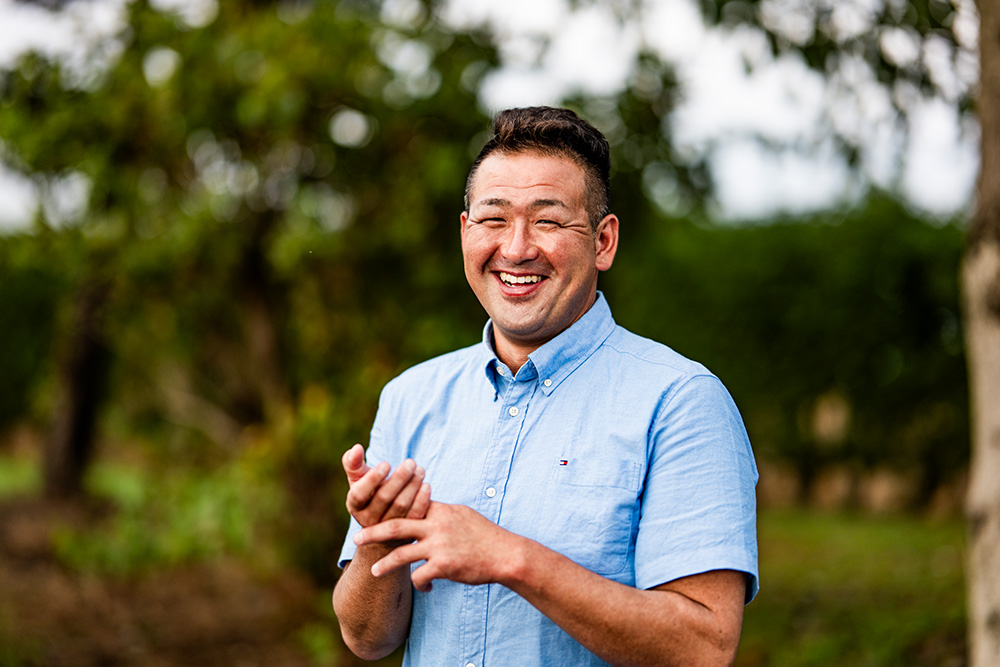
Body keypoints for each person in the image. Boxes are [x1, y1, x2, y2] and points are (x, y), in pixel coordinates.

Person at [332, 106, 758, 667]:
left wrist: (512, 559)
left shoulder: (682, 402)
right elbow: (368, 640)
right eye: (493, 219)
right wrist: (380, 541)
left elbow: (704, 648)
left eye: (548, 222)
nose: (515, 249)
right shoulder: (410, 396)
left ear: (603, 241)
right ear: (465, 233)